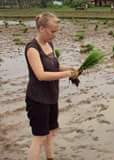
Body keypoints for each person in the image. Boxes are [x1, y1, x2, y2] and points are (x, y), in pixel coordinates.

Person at [25, 12, 78, 160]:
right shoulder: (32, 48)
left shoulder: (49, 44)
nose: (55, 35)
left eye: (56, 31)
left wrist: (71, 69)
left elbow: (56, 66)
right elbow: (41, 75)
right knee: (39, 137)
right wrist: (66, 74)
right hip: (37, 99)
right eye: (52, 31)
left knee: (50, 133)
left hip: (51, 97)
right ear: (41, 28)